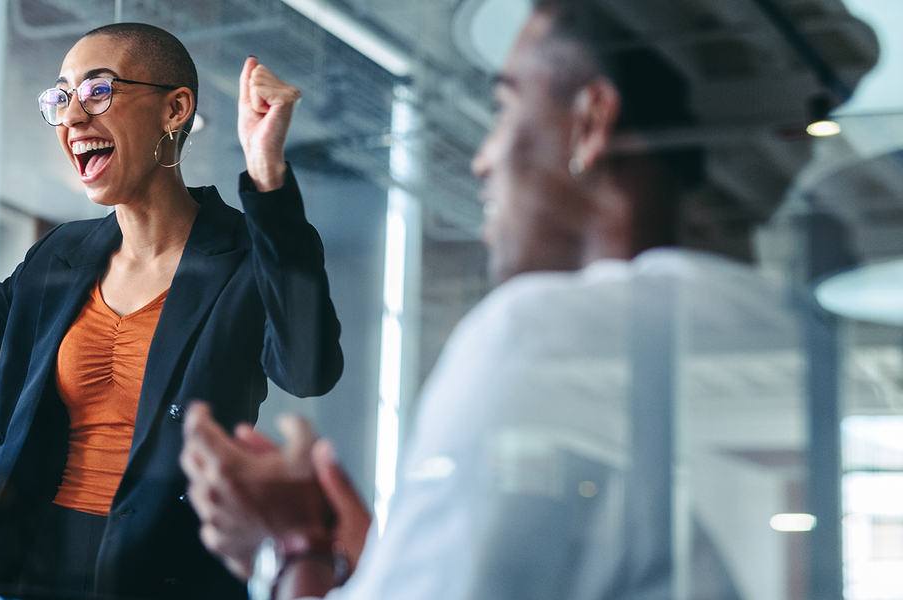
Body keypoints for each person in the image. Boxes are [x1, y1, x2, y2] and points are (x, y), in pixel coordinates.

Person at [181, 0, 877, 599]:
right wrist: (371, 568)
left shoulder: (545, 335)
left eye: (506, 104)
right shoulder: (801, 337)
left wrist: (287, 546)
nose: (484, 157)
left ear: (592, 123)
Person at [0, 22, 343, 599]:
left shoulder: (250, 255)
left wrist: (267, 176)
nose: (72, 117)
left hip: (169, 574)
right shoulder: (60, 259)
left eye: (98, 91)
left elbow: (307, 369)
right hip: (31, 567)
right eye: (61, 96)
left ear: (175, 109)